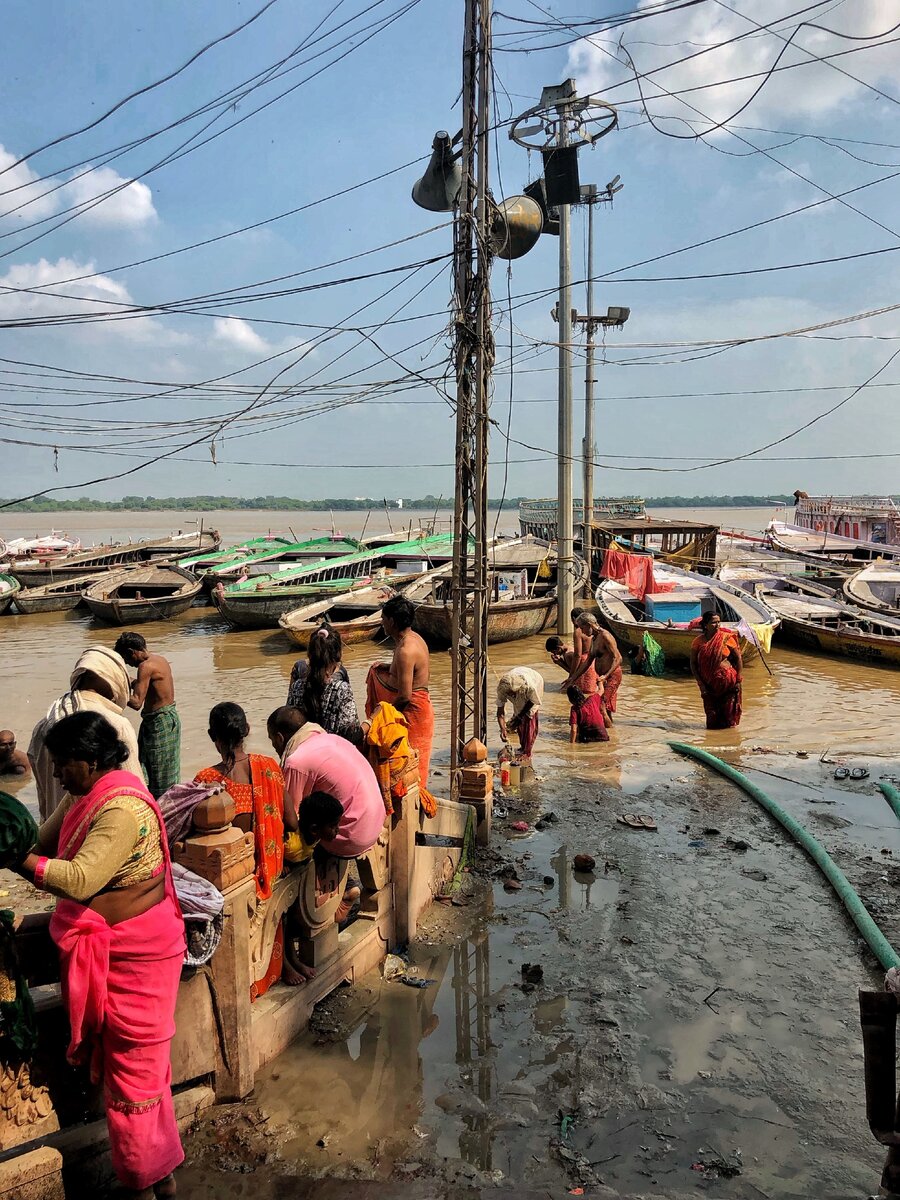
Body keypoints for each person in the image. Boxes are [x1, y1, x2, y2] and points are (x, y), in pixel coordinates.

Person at [14, 711, 185, 1199]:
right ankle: (162, 1177)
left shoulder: (121, 809)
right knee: (143, 1071)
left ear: (89, 762)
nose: (54, 773)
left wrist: (22, 863)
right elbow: (40, 841)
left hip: (138, 954)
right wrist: (11, 836)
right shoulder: (84, 793)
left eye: (63, 763)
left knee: (134, 1073)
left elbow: (82, 878)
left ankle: (140, 1183)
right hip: (119, 946)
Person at [193, 703, 290, 998]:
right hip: (268, 874)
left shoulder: (206, 781)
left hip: (230, 879)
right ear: (247, 731)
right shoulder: (270, 768)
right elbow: (292, 820)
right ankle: (278, 968)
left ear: (212, 736)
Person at [29, 646, 142, 820]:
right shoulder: (115, 724)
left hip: (57, 835)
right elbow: (134, 795)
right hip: (102, 827)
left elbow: (43, 798)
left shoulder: (43, 725)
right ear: (116, 679)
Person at [267, 706, 385, 860]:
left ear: (279, 738)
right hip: (375, 823)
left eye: (271, 740)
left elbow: (291, 820)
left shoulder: (296, 761)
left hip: (351, 836)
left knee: (293, 843)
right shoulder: (332, 738)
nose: (273, 746)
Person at [365, 596, 434, 784]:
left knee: (410, 769)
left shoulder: (406, 649)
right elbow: (406, 670)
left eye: (383, 618)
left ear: (392, 622)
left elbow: (404, 696)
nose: (381, 622)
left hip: (414, 713)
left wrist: (383, 716)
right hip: (417, 708)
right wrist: (386, 667)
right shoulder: (412, 639)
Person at [115, 633, 181, 800]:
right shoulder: (160, 659)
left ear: (132, 652)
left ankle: (160, 810)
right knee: (163, 768)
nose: (129, 663)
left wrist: (114, 692)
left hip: (159, 723)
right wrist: (125, 680)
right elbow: (145, 686)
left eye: (127, 659)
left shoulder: (144, 667)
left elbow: (137, 702)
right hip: (168, 719)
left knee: (158, 772)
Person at [287, 624, 363, 747]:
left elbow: (289, 722)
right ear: (338, 655)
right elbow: (351, 734)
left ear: (309, 655)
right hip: (330, 755)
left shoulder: (297, 687)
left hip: (304, 753)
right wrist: (370, 722)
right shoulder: (341, 689)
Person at [564, 613, 623, 726]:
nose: (581, 631)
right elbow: (588, 661)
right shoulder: (594, 639)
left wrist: (605, 676)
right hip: (603, 678)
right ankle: (610, 733)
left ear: (590, 625)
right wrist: (572, 678)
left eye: (582, 628)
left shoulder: (605, 636)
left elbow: (618, 658)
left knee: (601, 705)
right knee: (606, 708)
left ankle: (607, 737)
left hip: (612, 676)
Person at [690, 611, 743, 729]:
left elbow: (738, 658)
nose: (718, 625)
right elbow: (693, 663)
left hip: (728, 683)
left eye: (719, 622)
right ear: (705, 624)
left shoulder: (727, 638)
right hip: (708, 684)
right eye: (714, 622)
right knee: (711, 717)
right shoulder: (698, 641)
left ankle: (730, 741)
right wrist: (701, 684)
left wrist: (738, 680)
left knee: (729, 717)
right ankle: (712, 742)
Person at [496, 667, 544, 760]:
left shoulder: (530, 686)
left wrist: (519, 717)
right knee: (518, 713)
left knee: (529, 717)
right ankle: (523, 747)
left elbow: (532, 701)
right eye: (510, 694)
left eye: (513, 693)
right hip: (519, 685)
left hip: (536, 681)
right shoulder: (502, 689)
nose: (512, 696)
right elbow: (500, 712)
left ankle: (527, 752)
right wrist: (502, 729)